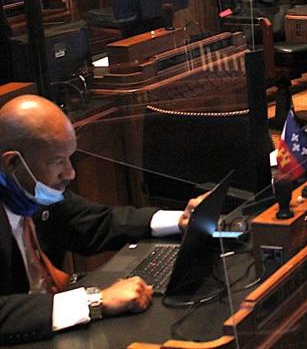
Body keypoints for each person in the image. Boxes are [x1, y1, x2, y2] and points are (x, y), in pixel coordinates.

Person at [0, 95, 203, 344]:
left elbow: (97, 221)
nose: (70, 173)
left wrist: (179, 220)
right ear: (12, 162)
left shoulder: (32, 190)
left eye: (69, 158)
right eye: (57, 162)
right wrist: (96, 301)